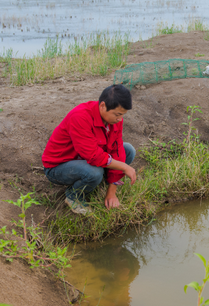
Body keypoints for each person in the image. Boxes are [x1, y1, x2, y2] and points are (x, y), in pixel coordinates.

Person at [42, 84, 137, 214]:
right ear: (103, 106)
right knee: (94, 171)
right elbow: (94, 156)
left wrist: (112, 191)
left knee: (128, 151)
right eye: (117, 114)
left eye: (122, 115)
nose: (120, 119)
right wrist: (125, 167)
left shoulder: (115, 120)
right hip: (58, 167)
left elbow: (117, 149)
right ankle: (73, 196)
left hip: (85, 160)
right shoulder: (80, 117)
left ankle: (99, 181)